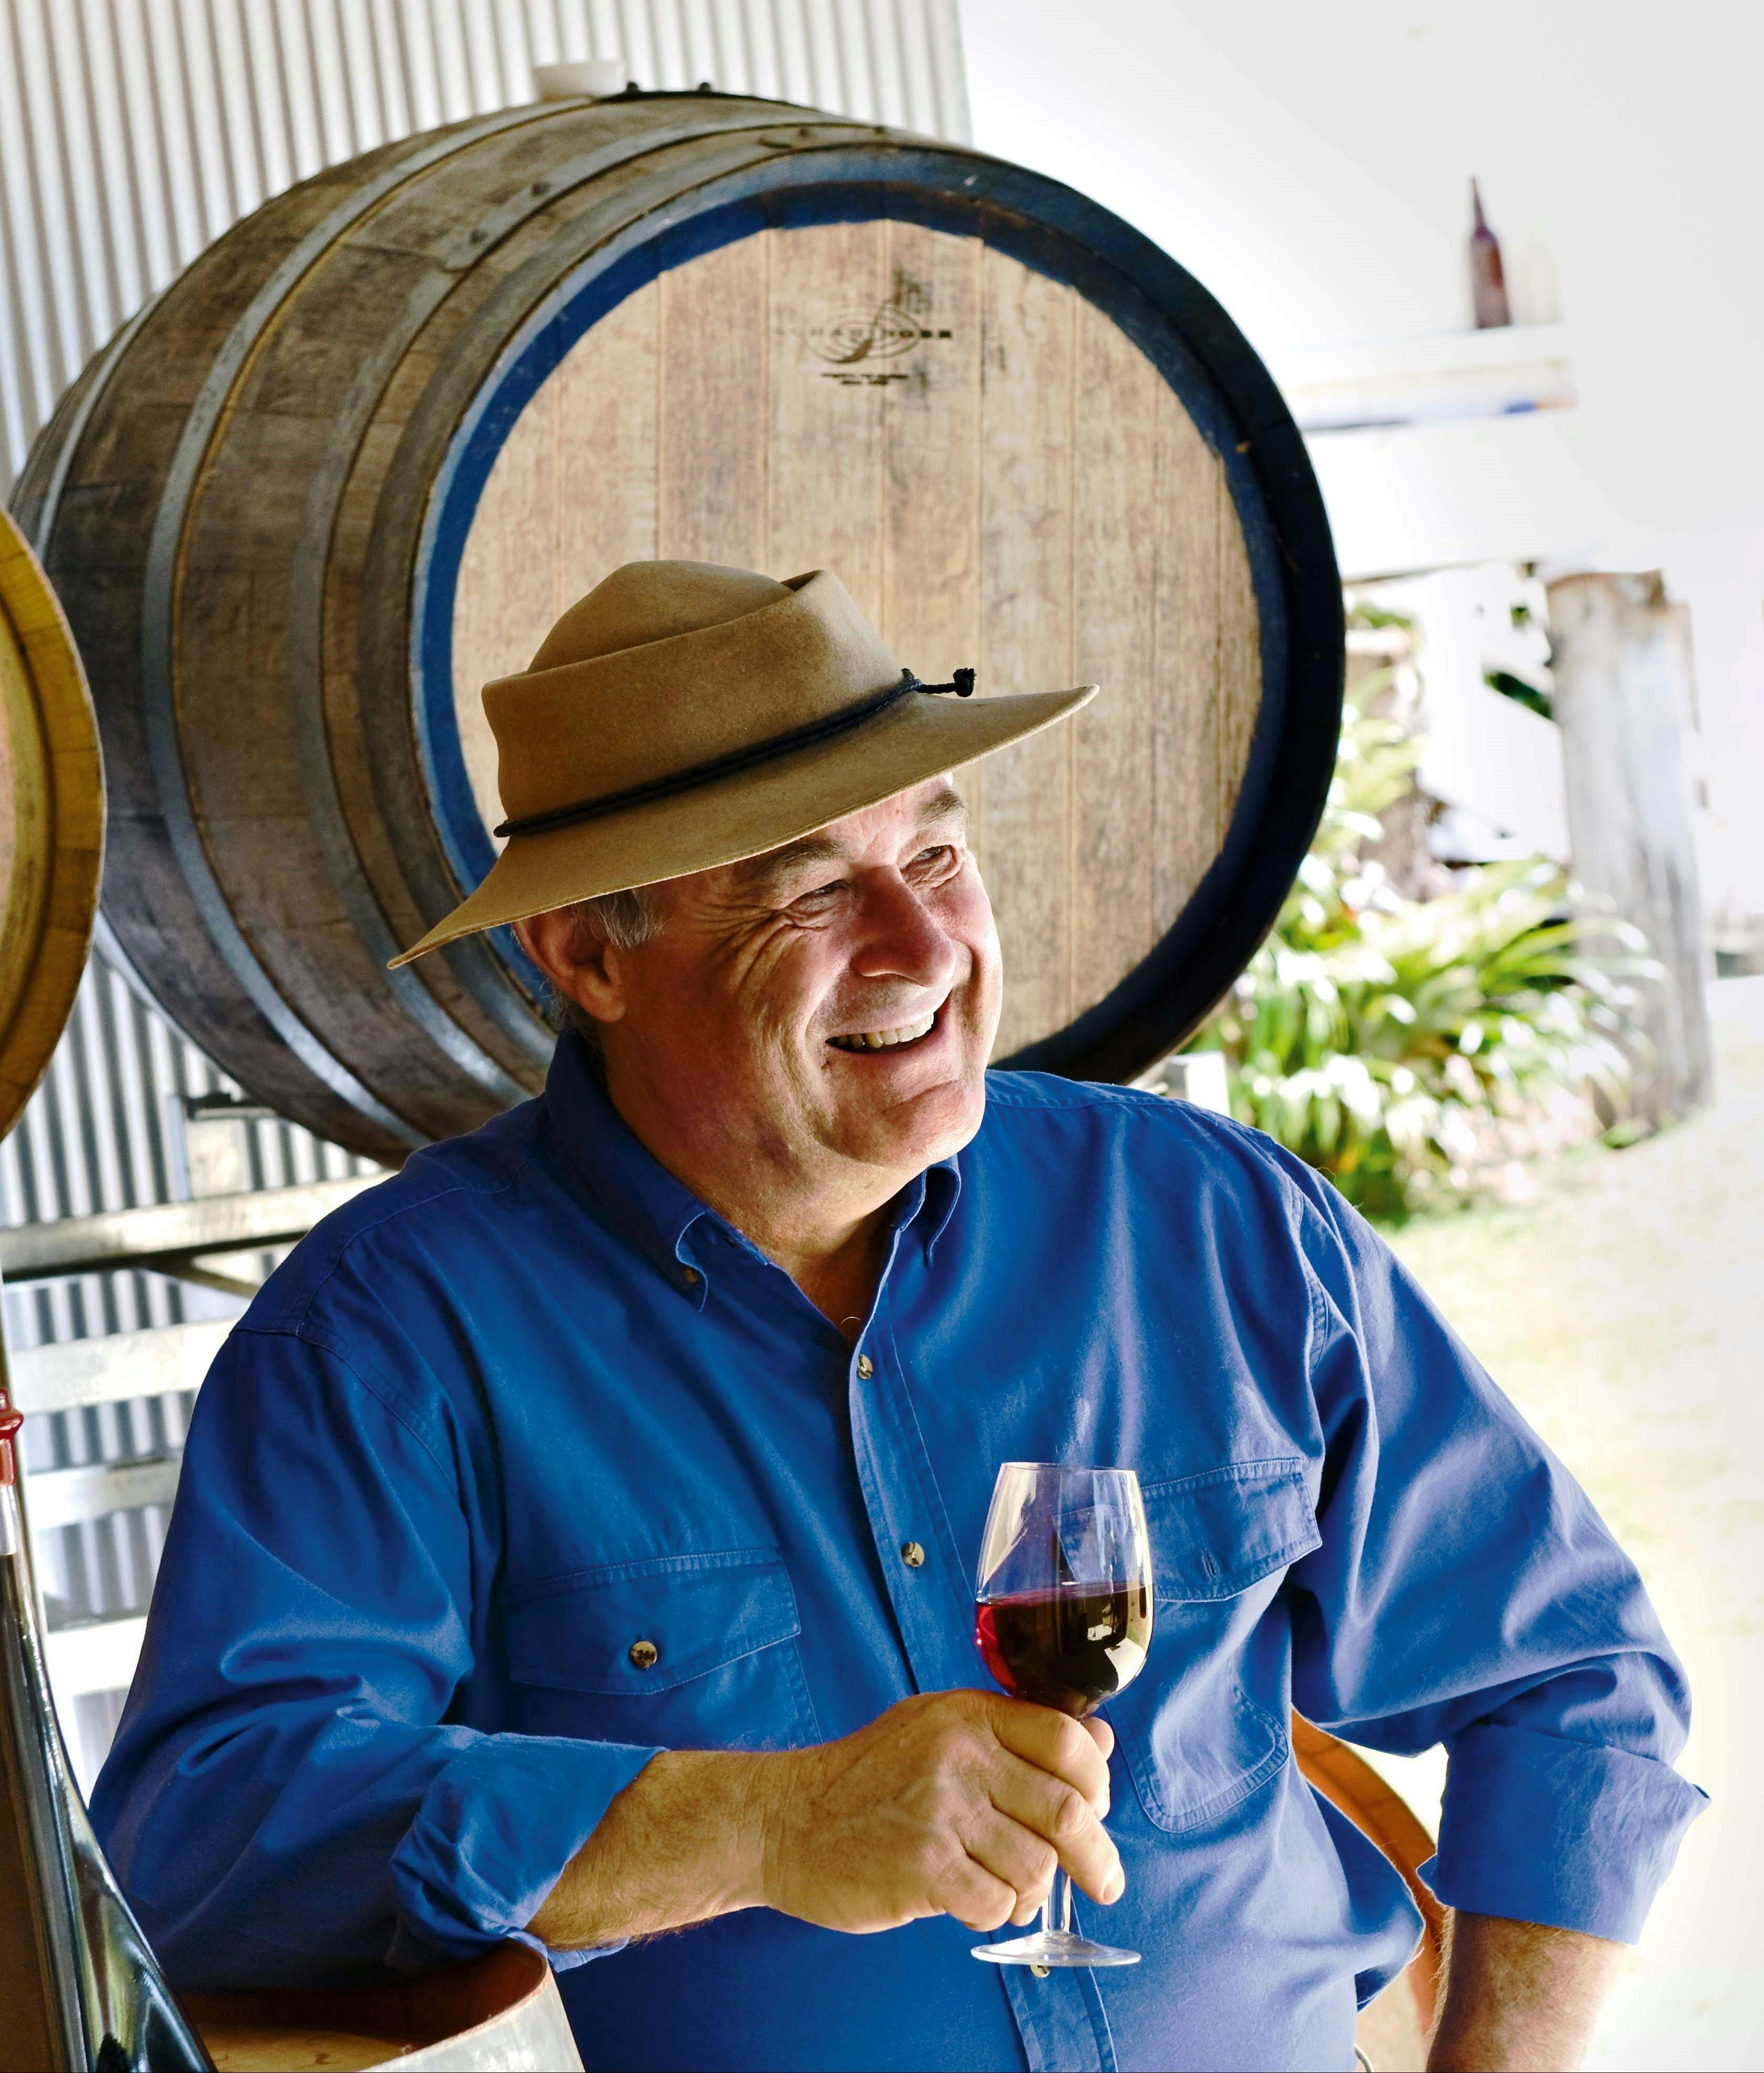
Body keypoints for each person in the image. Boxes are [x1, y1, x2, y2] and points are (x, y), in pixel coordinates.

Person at [94, 561, 1704, 2072]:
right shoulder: (389, 1337)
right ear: (590, 951)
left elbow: (1574, 1684)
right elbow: (211, 1846)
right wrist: (761, 1824)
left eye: (935, 853)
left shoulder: (1213, 1223)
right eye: (809, 894)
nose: (929, 950)